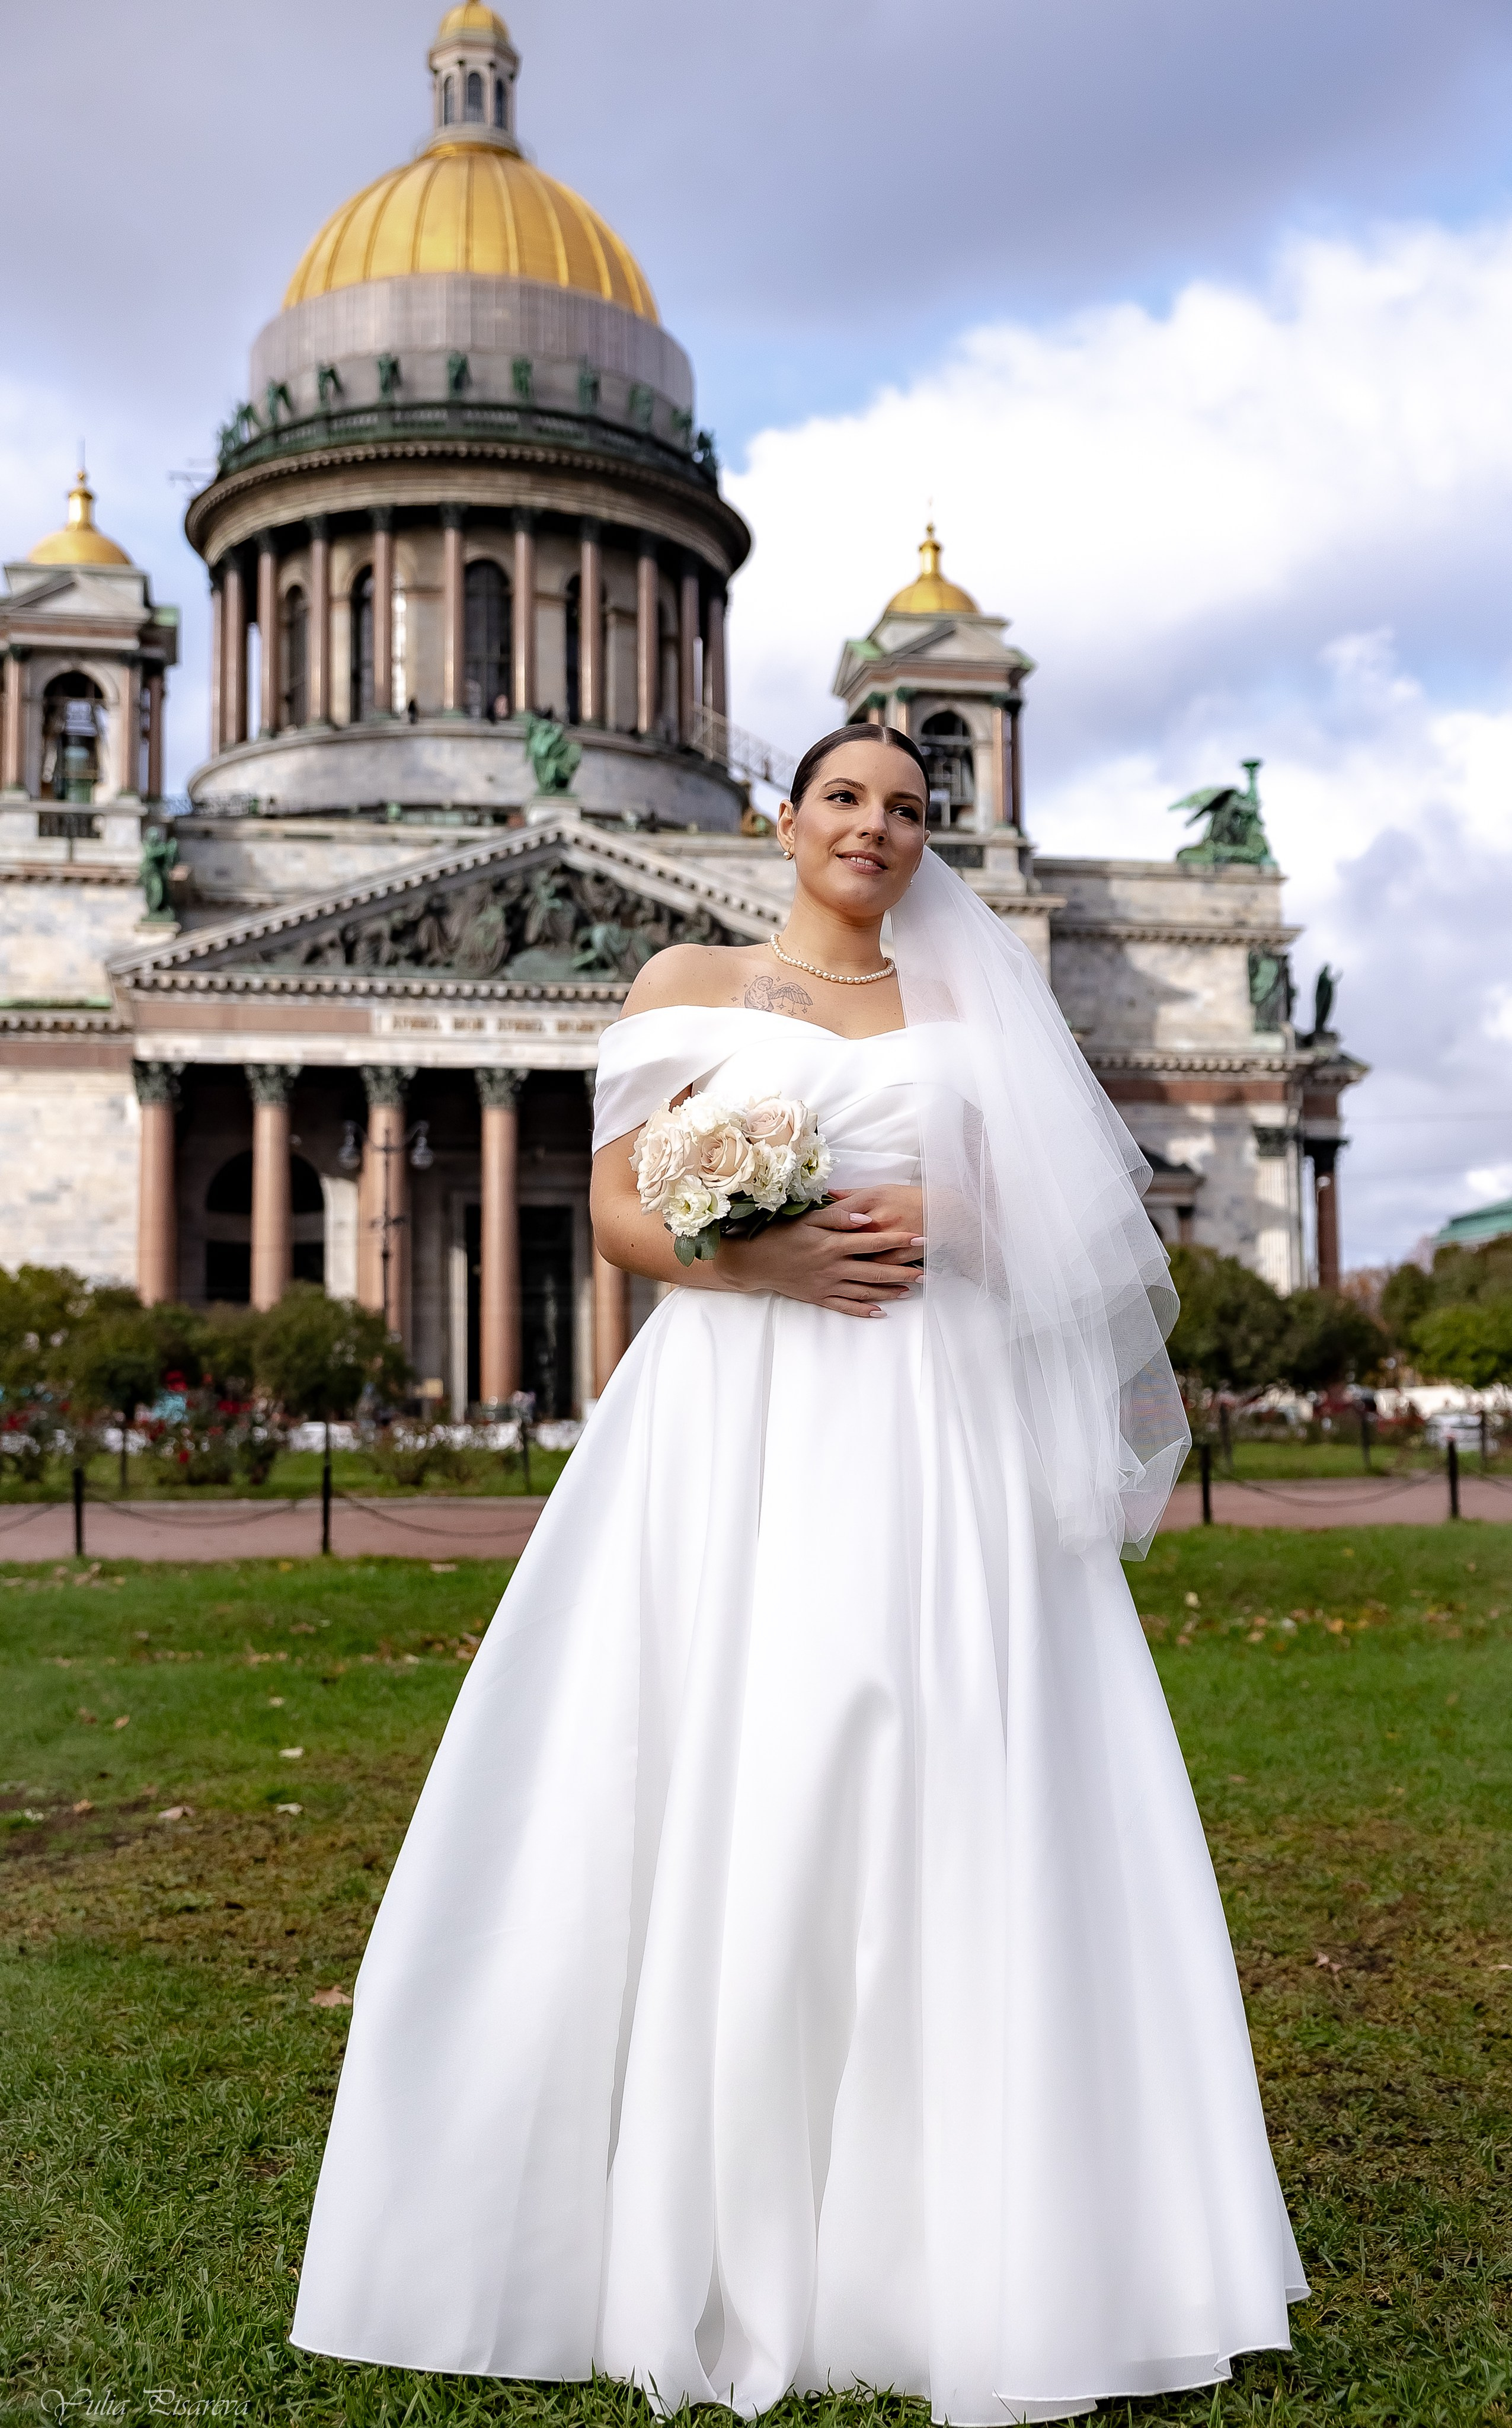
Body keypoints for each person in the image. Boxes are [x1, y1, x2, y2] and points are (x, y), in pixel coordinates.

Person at [291, 727, 1305, 2421]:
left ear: (929, 839)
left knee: (929, 1744)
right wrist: (756, 1252)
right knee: (719, 1739)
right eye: (846, 797)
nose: (875, 827)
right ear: (786, 817)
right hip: (736, 1407)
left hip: (931, 1407)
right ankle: (710, 2194)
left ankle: (951, 2221)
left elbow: (1051, 1221)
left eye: (908, 808)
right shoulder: (687, 972)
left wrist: (918, 1222)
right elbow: (622, 1210)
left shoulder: (979, 1007)